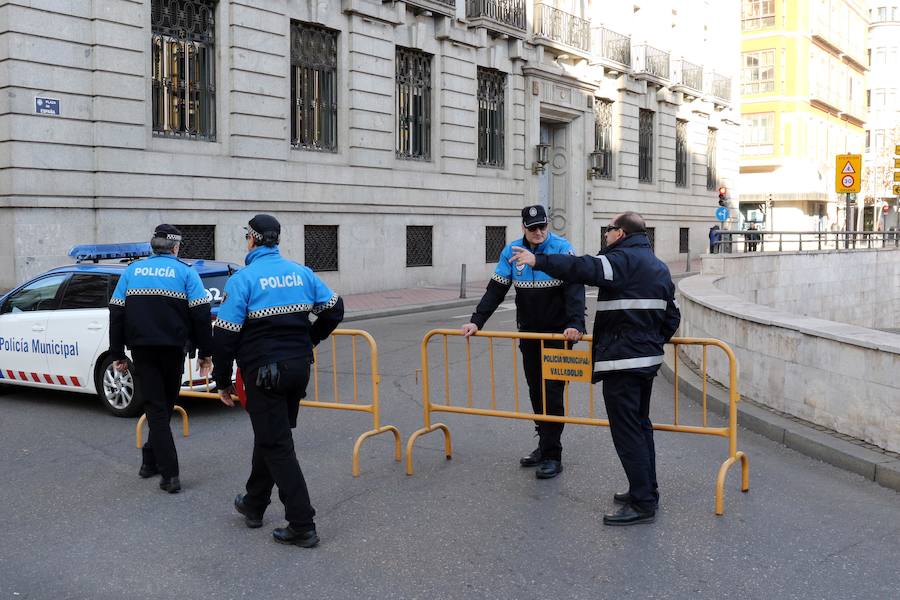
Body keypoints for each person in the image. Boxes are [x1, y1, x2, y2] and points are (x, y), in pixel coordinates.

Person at [510, 211, 680, 526]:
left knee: (628, 432)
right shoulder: (658, 266)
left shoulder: (621, 261)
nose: (605, 235)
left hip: (623, 362)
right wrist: (651, 344)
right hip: (645, 362)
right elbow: (672, 316)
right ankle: (645, 491)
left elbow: (580, 267)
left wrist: (539, 261)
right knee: (641, 427)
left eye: (609, 230)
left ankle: (642, 504)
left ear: (622, 233)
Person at [212, 214, 344, 548]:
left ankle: (302, 524)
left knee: (277, 445)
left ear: (252, 240)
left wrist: (222, 381)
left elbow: (225, 335)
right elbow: (335, 309)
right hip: (298, 369)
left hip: (264, 373)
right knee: (272, 436)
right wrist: (310, 339)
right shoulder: (301, 273)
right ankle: (254, 503)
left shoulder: (244, 279)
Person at [461, 205, 585, 479]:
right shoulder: (511, 252)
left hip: (558, 336)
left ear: (548, 225)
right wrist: (476, 321)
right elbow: (495, 290)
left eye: (542, 226)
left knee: (552, 392)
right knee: (535, 391)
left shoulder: (562, 248)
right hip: (529, 334)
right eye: (532, 228)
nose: (538, 232)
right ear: (523, 228)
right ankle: (544, 445)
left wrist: (576, 324)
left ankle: (553, 455)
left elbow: (575, 288)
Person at [108, 224, 213, 494]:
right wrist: (205, 353)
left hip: (142, 350)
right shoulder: (186, 273)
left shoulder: (131, 272)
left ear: (152, 245)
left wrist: (117, 352)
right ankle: (171, 475)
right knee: (162, 407)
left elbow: (116, 314)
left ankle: (149, 461)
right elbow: (201, 315)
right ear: (176, 247)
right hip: (173, 350)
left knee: (159, 408)